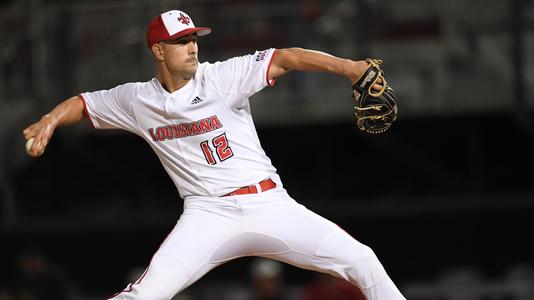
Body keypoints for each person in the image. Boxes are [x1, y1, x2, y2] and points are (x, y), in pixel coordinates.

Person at [23, 9, 406, 300]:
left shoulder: (221, 77)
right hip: (207, 215)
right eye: (180, 41)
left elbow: (286, 57)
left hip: (270, 205)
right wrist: (50, 120)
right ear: (158, 50)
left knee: (361, 259)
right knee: (144, 295)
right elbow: (83, 103)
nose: (192, 46)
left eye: (194, 38)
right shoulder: (137, 99)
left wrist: (349, 67)